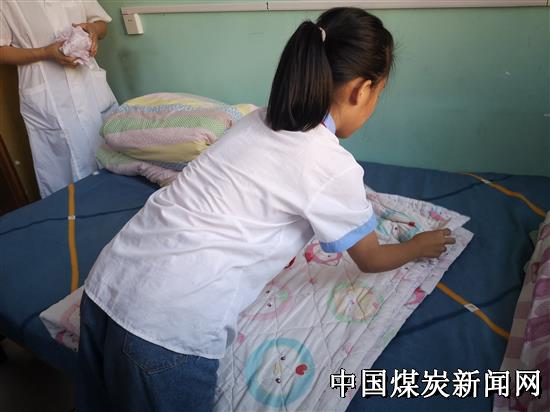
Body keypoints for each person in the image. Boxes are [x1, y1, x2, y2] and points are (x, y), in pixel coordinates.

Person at [77, 7, 455, 411]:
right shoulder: (331, 165)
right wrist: (417, 246)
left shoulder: (256, 120)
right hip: (166, 329)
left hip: (106, 284)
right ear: (361, 91)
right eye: (379, 93)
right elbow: (371, 257)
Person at [0, 1, 118, 198]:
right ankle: (76, 215)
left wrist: (93, 30)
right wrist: (45, 52)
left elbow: (101, 24)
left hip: (89, 84)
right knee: (67, 177)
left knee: (114, 155)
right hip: (47, 92)